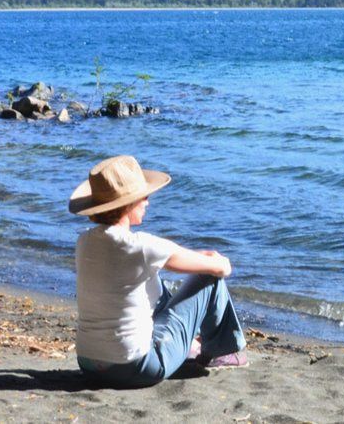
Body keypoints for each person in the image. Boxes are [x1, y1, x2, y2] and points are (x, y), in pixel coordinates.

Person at [69, 155, 247, 388]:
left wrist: (197, 256)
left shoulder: (84, 241)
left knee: (153, 284)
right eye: (144, 197)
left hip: (89, 364)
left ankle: (190, 345)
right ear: (128, 204)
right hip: (137, 367)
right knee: (208, 278)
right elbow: (221, 268)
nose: (148, 203)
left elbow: (161, 258)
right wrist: (216, 260)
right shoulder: (141, 246)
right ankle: (222, 351)